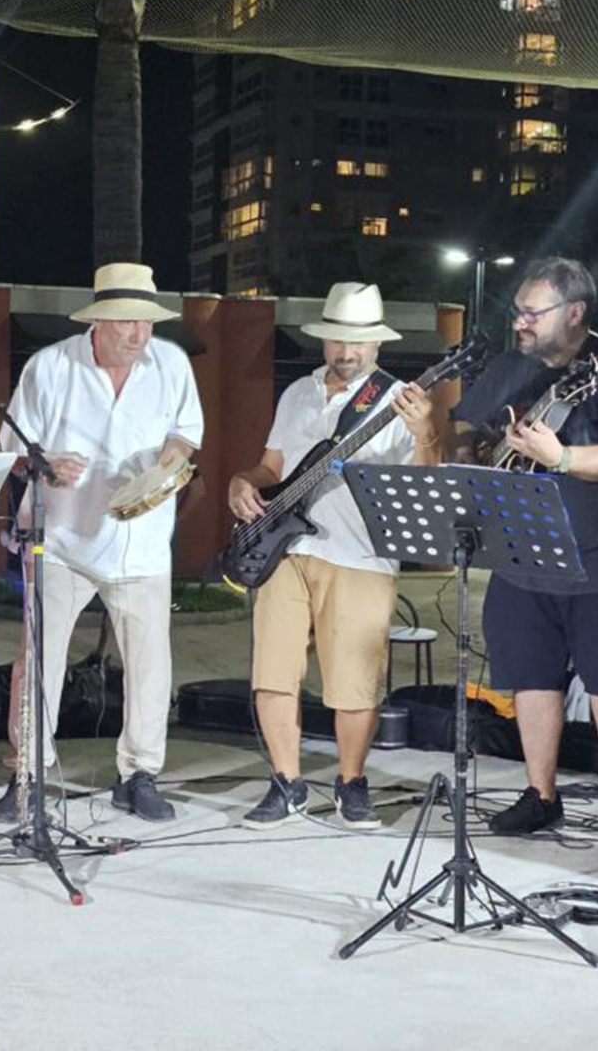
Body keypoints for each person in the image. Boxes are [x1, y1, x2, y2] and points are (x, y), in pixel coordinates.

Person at [412, 256, 598, 851]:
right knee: (531, 679)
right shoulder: (508, 368)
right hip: (520, 554)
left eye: (533, 312)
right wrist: (438, 431)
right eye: (518, 311)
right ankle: (540, 794)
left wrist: (563, 459)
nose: (521, 323)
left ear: (574, 312)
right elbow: (468, 443)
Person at [0, 263, 204, 823]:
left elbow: (186, 432)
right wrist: (44, 465)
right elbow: (11, 449)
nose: (138, 335)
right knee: (36, 661)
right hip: (61, 539)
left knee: (150, 664)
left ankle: (139, 774)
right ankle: (29, 774)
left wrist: (169, 460)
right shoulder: (50, 366)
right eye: (126, 322)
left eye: (146, 323)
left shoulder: (172, 363)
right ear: (98, 322)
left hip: (144, 544)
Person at [227, 283, 435, 829]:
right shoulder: (297, 392)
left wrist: (427, 435)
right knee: (272, 673)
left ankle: (352, 782)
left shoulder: (398, 400)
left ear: (378, 346)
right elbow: (273, 466)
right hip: (286, 549)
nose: (347, 353)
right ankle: (287, 783)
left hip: (361, 556)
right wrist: (243, 481)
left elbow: (422, 489)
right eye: (338, 340)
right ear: (324, 339)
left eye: (359, 343)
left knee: (354, 682)